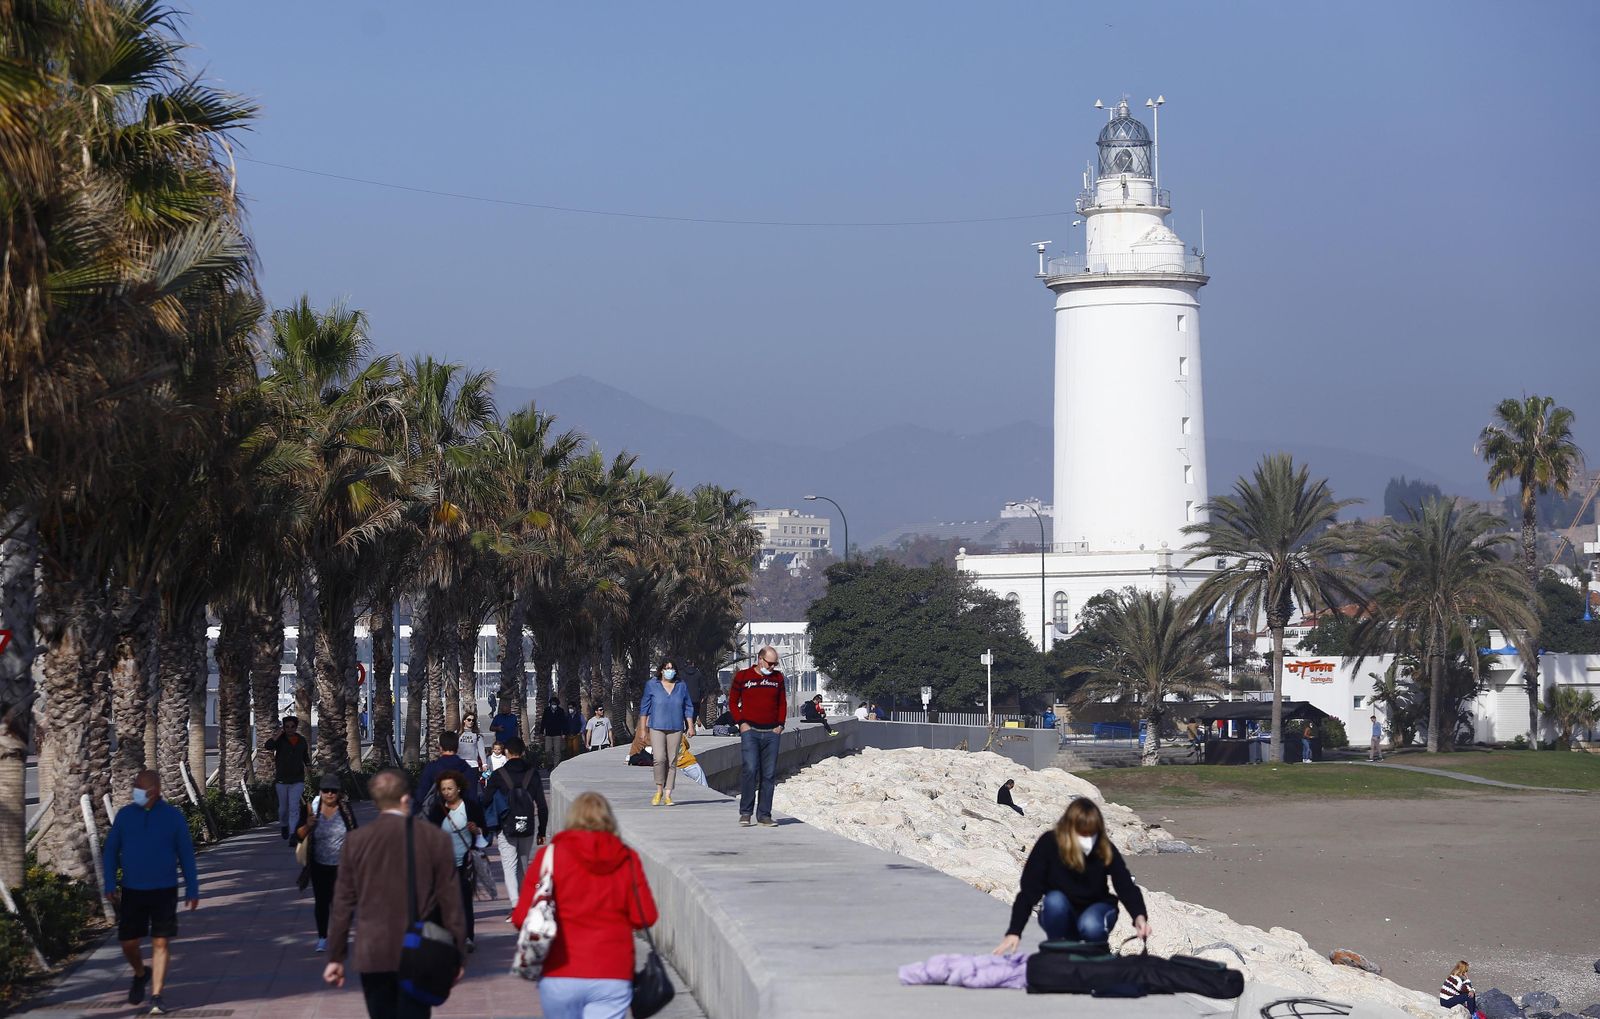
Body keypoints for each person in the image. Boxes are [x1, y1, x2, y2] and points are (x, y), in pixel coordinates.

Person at [324, 768, 466, 1019]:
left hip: (373, 952)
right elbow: (451, 901)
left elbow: (342, 904)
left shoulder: (356, 841)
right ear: (405, 798)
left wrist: (336, 956)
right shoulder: (434, 838)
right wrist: (457, 953)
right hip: (421, 950)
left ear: (376, 801)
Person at [510, 792, 659, 1019]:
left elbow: (521, 918)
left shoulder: (549, 857)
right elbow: (645, 916)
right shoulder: (627, 858)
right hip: (612, 971)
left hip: (559, 971)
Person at [992, 797, 1151, 955]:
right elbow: (1029, 890)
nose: (1087, 838)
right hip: (1061, 910)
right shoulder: (1049, 843)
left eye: (1092, 833)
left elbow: (1125, 885)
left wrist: (1139, 917)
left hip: (1097, 907)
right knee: (1054, 900)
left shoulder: (1103, 847)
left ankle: (1097, 955)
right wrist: (1014, 931)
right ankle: (1059, 952)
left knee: (1090, 925)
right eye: (1082, 832)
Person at [103, 771, 198, 1016]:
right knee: (128, 943)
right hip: (133, 889)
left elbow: (186, 854)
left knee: (160, 941)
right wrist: (110, 882)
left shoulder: (173, 817)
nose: (135, 792)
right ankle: (140, 973)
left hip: (164, 890)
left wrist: (192, 888)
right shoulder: (125, 816)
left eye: (140, 788)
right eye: (135, 786)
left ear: (155, 791)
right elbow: (111, 850)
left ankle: (157, 996)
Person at [423, 772, 488, 952]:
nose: (446, 792)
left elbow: (484, 831)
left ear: (459, 788)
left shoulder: (470, 807)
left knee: (465, 901)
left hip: (465, 864)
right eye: (443, 789)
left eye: (450, 788)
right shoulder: (437, 809)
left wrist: (476, 830)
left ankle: (467, 937)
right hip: (443, 865)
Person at [294, 773, 359, 952]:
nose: (330, 794)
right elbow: (297, 837)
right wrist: (308, 825)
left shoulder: (345, 810)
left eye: (333, 791)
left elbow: (355, 832)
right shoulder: (311, 809)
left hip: (342, 866)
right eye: (326, 790)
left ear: (339, 793)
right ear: (320, 792)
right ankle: (322, 937)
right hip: (318, 865)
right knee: (322, 903)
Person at [731, 645, 786, 828]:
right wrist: (741, 723)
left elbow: (782, 703)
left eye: (775, 664)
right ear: (760, 659)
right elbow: (733, 702)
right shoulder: (743, 676)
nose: (772, 667)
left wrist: (780, 725)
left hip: (772, 733)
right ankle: (746, 813)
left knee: (769, 775)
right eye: (770, 663)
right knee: (750, 769)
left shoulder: (778, 678)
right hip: (750, 731)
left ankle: (764, 815)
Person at [486, 736, 547, 901]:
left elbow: (486, 800)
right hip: (527, 824)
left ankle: (515, 904)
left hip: (506, 825)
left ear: (506, 752)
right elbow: (542, 805)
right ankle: (525, 901)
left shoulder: (499, 774)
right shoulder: (532, 774)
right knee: (523, 864)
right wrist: (542, 831)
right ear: (523, 752)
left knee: (509, 866)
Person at [638, 659, 695, 806]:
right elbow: (644, 708)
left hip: (676, 727)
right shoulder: (652, 685)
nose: (669, 671)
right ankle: (659, 790)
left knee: (672, 760)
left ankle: (668, 793)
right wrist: (643, 729)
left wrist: (690, 726)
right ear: (661, 670)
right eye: (667, 668)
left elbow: (688, 706)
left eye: (672, 668)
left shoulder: (681, 686)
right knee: (659, 758)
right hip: (656, 727)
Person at [266, 716, 312, 839]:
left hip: (297, 779)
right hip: (282, 780)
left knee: (294, 807)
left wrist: (308, 765)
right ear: (284, 727)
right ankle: (284, 825)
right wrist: (278, 734)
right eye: (287, 727)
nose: (290, 729)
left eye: (292, 726)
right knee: (283, 809)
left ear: (296, 727)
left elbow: (305, 755)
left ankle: (293, 833)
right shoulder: (280, 740)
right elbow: (268, 746)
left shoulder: (301, 740)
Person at [415, 731, 478, 813]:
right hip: (461, 813)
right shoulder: (466, 768)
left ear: (440, 747)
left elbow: (421, 793)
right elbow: (472, 796)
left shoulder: (433, 768)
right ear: (457, 747)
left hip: (437, 812)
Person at [541, 696, 567, 768]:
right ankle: (550, 762)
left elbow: (563, 722)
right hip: (548, 734)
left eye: (555, 704)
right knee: (547, 750)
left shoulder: (560, 711)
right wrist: (541, 731)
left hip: (557, 734)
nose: (553, 705)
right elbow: (543, 721)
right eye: (552, 704)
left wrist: (564, 733)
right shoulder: (547, 710)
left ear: (557, 704)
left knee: (557, 751)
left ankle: (556, 766)